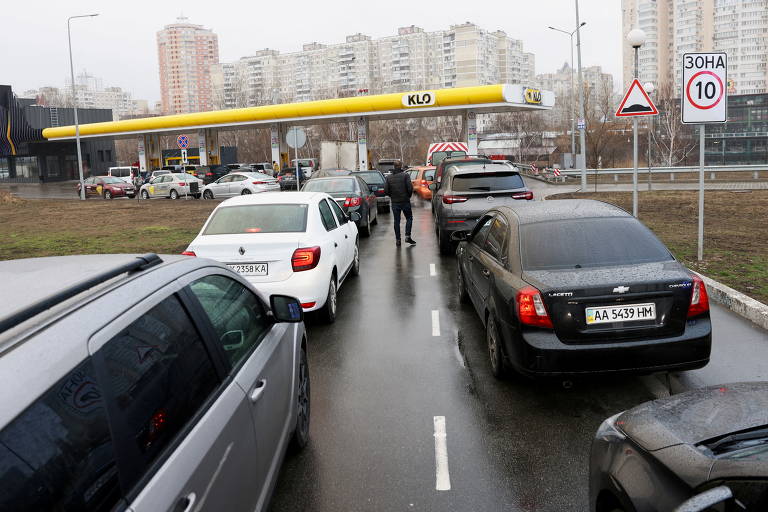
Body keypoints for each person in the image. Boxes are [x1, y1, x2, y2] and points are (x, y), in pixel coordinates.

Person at [383, 161, 416, 247]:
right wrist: (408, 196)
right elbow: (410, 188)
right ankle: (407, 236)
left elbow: (386, 190)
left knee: (396, 221)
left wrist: (392, 196)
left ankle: (398, 240)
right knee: (409, 218)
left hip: (395, 202)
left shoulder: (389, 178)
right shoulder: (405, 175)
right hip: (405, 201)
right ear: (400, 166)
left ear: (394, 166)